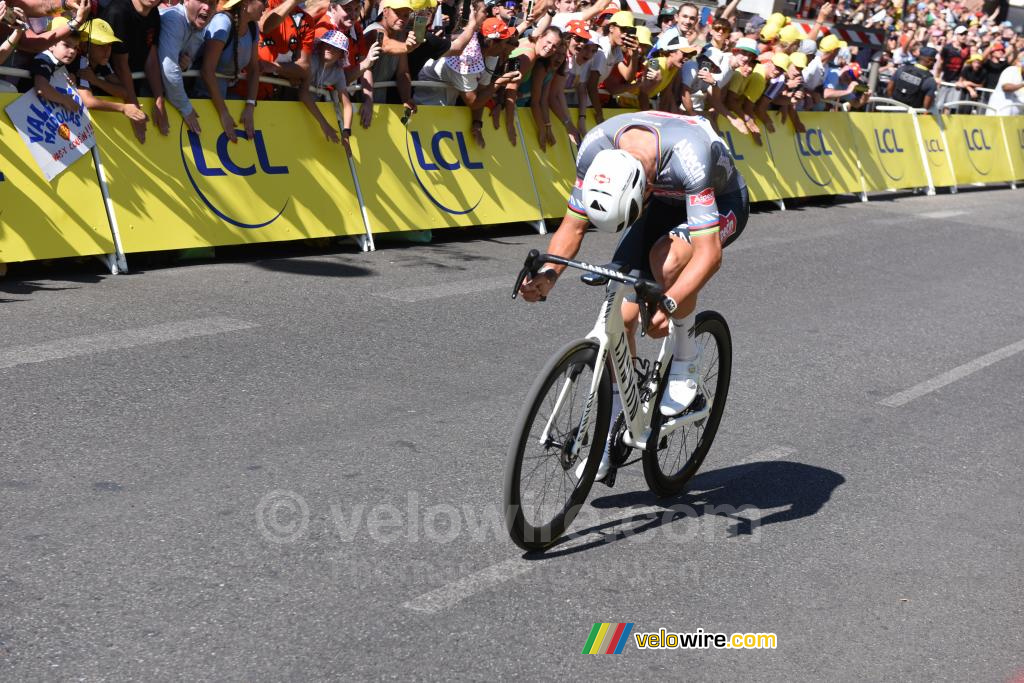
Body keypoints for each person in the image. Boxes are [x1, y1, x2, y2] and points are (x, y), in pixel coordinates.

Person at [518, 111, 749, 481]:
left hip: (720, 202)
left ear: (642, 188)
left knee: (668, 261)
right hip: (659, 201)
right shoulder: (596, 149)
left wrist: (671, 302)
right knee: (622, 320)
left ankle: (686, 358)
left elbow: (709, 256)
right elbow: (573, 227)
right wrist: (549, 275)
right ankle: (612, 429)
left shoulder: (690, 155)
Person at [195, 0, 263, 142]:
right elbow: (207, 71)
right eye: (263, 1)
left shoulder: (253, 27)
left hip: (224, 98)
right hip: (200, 98)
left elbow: (254, 69)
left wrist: (250, 106)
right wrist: (224, 113)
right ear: (245, 2)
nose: (267, 5)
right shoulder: (222, 22)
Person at [101, 0, 168, 142]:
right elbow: (120, 64)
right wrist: (134, 108)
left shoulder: (154, 13)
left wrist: (159, 99)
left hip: (131, 85)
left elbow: (151, 55)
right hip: (106, 90)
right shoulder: (118, 12)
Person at [157, 0, 214, 134]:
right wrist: (186, 108)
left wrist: (187, 65)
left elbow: (186, 60)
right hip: (145, 89)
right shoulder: (174, 19)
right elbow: (169, 70)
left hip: (164, 90)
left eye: (212, 3)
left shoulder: (199, 24)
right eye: (202, 1)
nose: (207, 7)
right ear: (186, 1)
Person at [887, 44, 937, 109]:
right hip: (912, 116)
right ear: (929, 60)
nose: (934, 63)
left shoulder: (902, 69)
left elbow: (889, 88)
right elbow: (926, 106)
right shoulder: (930, 80)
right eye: (934, 60)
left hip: (892, 110)